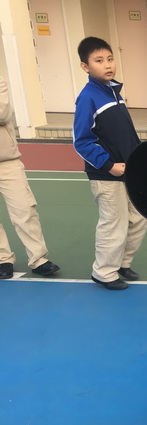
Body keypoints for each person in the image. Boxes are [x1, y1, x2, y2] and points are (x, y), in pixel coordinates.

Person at [73, 37, 147, 291]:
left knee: (139, 217)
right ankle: (104, 272)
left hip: (129, 170)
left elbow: (126, 134)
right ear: (85, 67)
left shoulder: (113, 92)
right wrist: (108, 165)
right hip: (106, 175)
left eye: (110, 59)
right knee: (113, 223)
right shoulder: (88, 98)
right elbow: (82, 141)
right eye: (99, 61)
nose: (107, 65)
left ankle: (121, 263)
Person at [0, 75, 59, 280]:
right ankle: (3, 259)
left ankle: (39, 259)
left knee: (24, 209)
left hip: (7, 161)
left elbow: (2, 112)